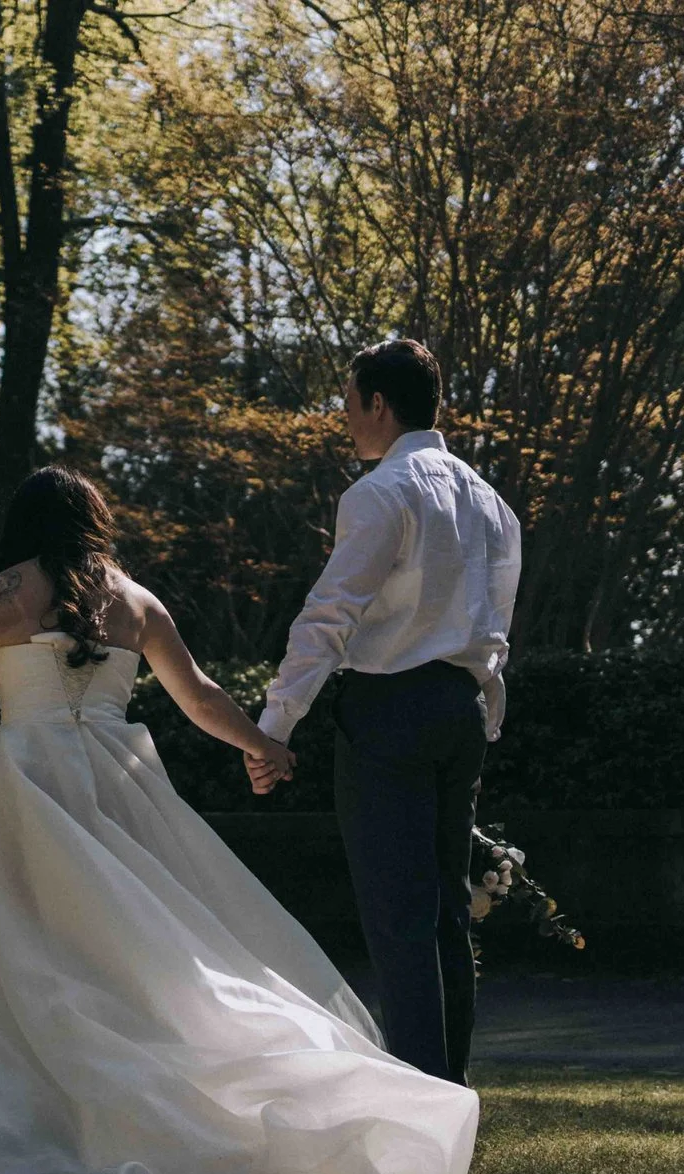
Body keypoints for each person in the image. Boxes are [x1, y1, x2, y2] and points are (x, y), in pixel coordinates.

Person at [0, 464, 512, 1174]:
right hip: (120, 788)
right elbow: (201, 695)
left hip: (22, 787)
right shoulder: (135, 600)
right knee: (155, 956)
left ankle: (45, 1122)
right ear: (94, 521)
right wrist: (263, 745)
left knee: (27, 966)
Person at [254, 339, 523, 1085]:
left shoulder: (381, 492)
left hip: (389, 711)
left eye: (348, 403)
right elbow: (495, 624)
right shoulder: (492, 504)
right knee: (446, 915)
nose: (344, 419)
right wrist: (482, 709)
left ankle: (422, 1107)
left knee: (398, 918)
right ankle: (449, 1090)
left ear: (379, 403)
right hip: (460, 711)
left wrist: (275, 725)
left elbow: (329, 614)